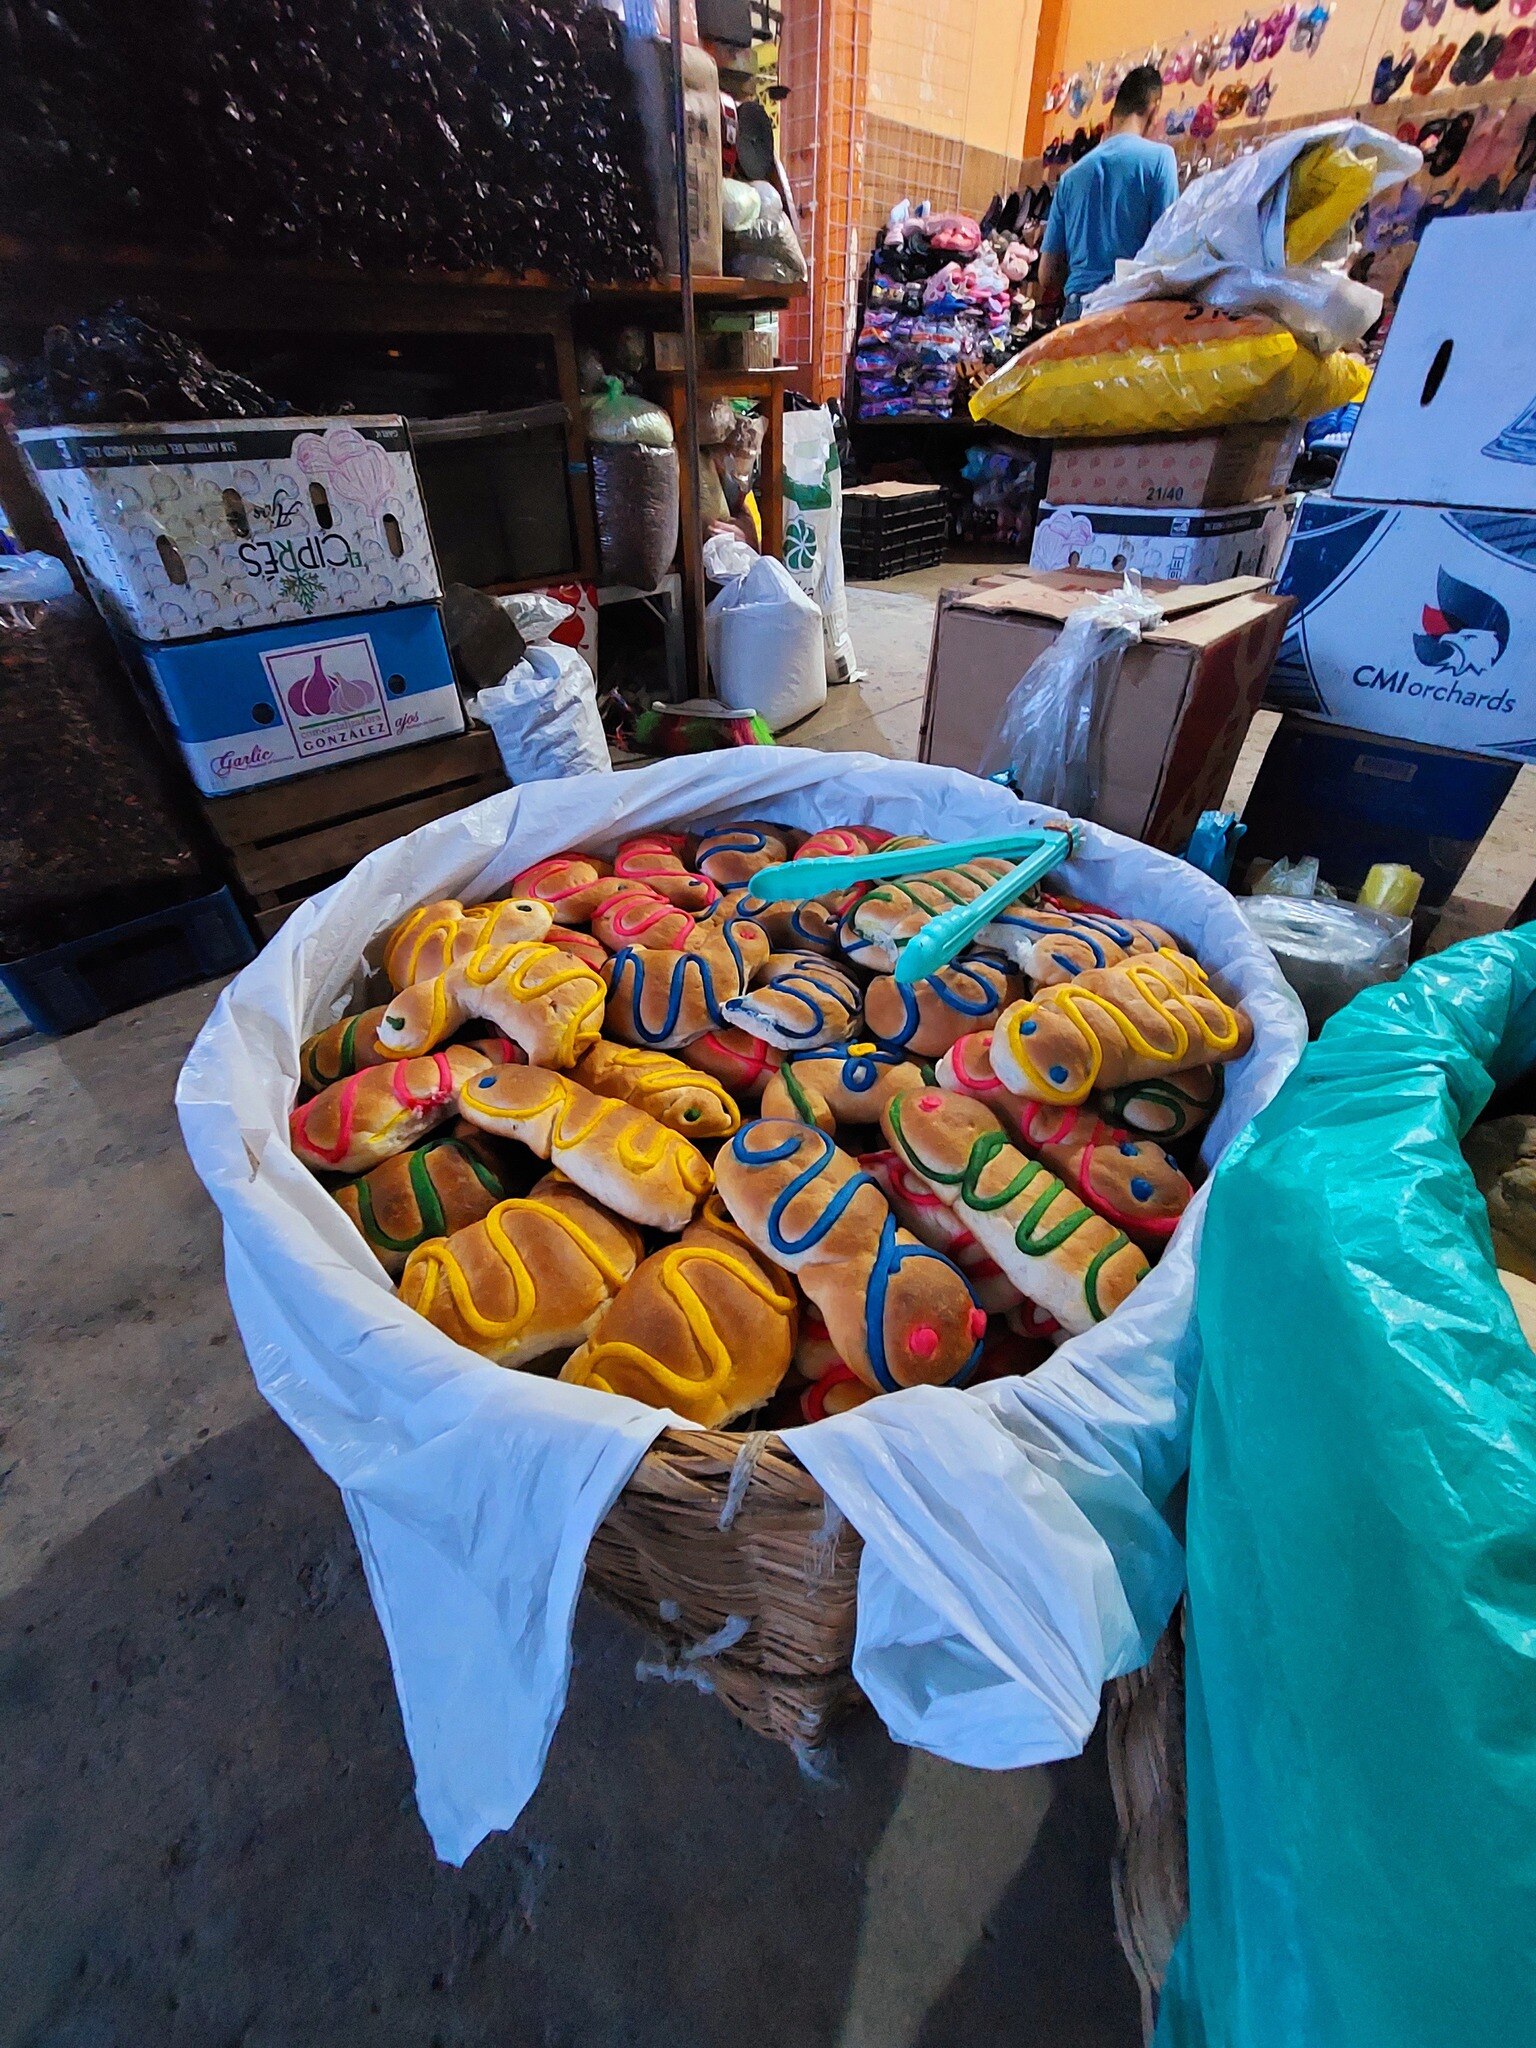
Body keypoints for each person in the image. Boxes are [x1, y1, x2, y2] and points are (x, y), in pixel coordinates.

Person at [1039, 67, 1178, 321]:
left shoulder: (1070, 177)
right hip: (1125, 315)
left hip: (1076, 314)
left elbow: (1047, 274)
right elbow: (1166, 250)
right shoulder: (1160, 159)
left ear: (1112, 116)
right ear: (1153, 109)